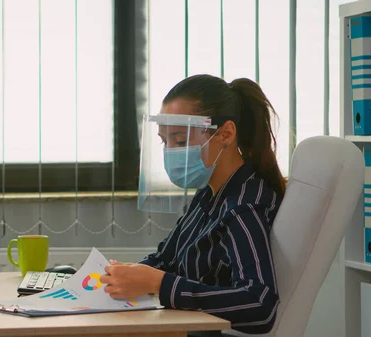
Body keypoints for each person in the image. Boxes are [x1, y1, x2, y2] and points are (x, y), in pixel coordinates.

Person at [100, 74, 286, 336]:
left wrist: (161, 284)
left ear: (226, 134)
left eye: (180, 140)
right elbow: (167, 259)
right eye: (165, 142)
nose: (171, 151)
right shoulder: (209, 193)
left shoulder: (243, 206)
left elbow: (260, 304)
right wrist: (124, 275)